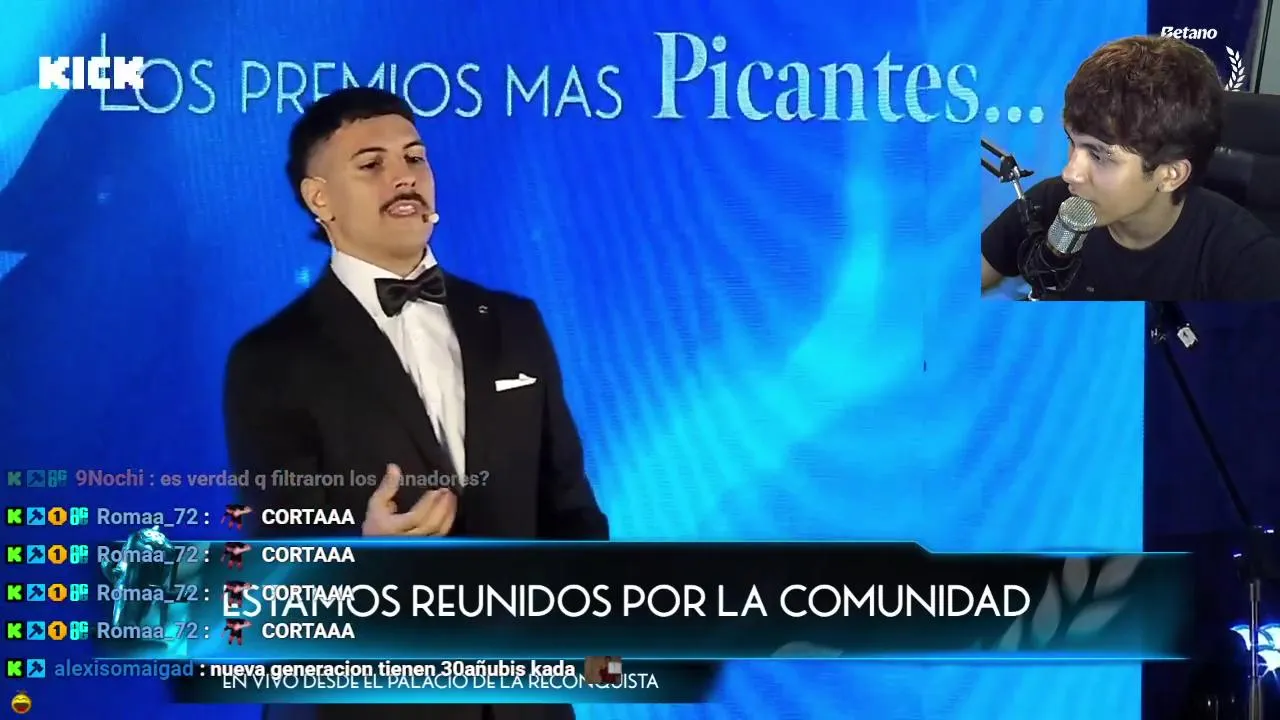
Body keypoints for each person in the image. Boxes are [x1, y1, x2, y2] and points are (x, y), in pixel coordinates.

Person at [222, 87, 609, 720]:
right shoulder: (270, 359)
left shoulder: (515, 322)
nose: (403, 177)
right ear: (320, 199)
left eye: (414, 157)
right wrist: (364, 548)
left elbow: (567, 505)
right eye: (371, 164)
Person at [981, 35, 1280, 300]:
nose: (1070, 173)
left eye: (1099, 155)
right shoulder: (1055, 203)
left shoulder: (1245, 263)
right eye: (1073, 142)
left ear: (1170, 175)